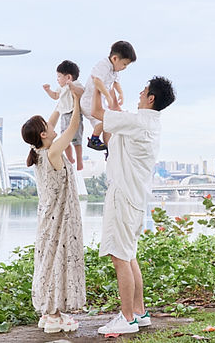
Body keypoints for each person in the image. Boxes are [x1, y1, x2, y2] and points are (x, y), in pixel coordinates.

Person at [91, 76, 176, 335]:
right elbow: (110, 126)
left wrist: (98, 85)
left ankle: (126, 318)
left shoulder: (139, 121)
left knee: (120, 258)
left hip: (123, 196)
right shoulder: (149, 124)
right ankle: (139, 312)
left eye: (144, 90)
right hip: (136, 199)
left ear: (151, 98)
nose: (140, 92)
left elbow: (96, 113)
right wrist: (112, 98)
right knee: (129, 256)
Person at [22, 92, 86, 334]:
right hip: (60, 218)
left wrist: (62, 102)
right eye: (48, 126)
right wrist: (78, 101)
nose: (52, 125)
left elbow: (54, 119)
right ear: (43, 134)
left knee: (47, 262)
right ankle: (54, 315)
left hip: (47, 217)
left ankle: (49, 312)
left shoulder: (39, 152)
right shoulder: (53, 151)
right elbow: (73, 128)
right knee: (58, 261)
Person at [82, 40, 136, 152]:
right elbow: (97, 80)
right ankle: (94, 139)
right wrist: (107, 96)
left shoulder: (115, 71)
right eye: (124, 64)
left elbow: (116, 83)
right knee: (105, 121)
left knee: (108, 127)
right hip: (88, 102)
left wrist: (121, 93)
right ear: (115, 58)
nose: (125, 67)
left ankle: (109, 149)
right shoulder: (103, 65)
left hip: (100, 103)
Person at [42, 59, 84, 171]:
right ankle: (70, 158)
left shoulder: (76, 84)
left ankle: (79, 161)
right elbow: (55, 96)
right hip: (64, 115)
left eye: (59, 76)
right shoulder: (60, 88)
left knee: (77, 141)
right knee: (64, 139)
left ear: (68, 77)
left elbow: (81, 92)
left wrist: (72, 87)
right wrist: (48, 90)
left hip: (74, 114)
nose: (57, 79)